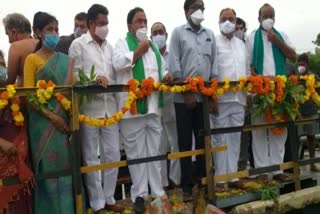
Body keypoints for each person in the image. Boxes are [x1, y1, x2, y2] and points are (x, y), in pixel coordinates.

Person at [113, 7, 172, 213]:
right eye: (139, 21)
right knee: (136, 154)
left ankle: (157, 192)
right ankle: (139, 194)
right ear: (130, 25)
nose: (143, 25)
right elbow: (118, 64)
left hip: (154, 107)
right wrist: (138, 51)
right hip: (133, 111)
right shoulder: (121, 43)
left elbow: (162, 68)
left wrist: (166, 75)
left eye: (145, 21)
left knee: (155, 151)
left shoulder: (154, 47)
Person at [69, 4, 124, 214]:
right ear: (91, 24)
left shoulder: (111, 48)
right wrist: (94, 80)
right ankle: (97, 203)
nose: (105, 27)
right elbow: (74, 77)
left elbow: (117, 76)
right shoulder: (78, 45)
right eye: (101, 24)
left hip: (110, 108)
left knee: (113, 155)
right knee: (91, 158)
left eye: (107, 23)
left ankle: (110, 197)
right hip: (88, 110)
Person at [23, 12, 75, 214]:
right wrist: (53, 117)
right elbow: (29, 95)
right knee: (48, 172)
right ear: (37, 32)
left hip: (65, 125)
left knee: (65, 171)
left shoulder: (66, 60)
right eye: (49, 30)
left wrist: (67, 117)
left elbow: (70, 92)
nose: (54, 34)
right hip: (43, 124)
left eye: (56, 29)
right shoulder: (31, 60)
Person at [168, 0, 216, 200]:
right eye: (195, 8)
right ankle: (186, 184)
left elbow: (213, 65)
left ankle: (203, 181)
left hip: (204, 96)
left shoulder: (209, 34)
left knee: (204, 139)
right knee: (185, 142)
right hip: (183, 98)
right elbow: (174, 64)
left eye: (201, 8)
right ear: (186, 11)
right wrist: (186, 92)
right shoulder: (178, 33)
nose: (199, 11)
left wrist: (213, 96)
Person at [246, 3, 296, 182]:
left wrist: (277, 42)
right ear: (258, 18)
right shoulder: (251, 38)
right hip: (260, 90)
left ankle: (277, 169)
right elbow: (249, 66)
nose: (268, 19)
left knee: (279, 130)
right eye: (265, 16)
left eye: (271, 15)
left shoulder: (282, 35)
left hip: (280, 90)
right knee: (259, 130)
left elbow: (293, 56)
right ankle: (261, 171)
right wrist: (260, 83)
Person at [211, 8, 249, 192]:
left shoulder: (241, 44)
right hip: (221, 98)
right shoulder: (213, 43)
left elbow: (247, 71)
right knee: (219, 138)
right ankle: (219, 178)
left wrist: (248, 95)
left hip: (239, 98)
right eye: (224, 19)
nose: (227, 22)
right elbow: (211, 71)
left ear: (236, 23)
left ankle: (232, 175)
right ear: (218, 22)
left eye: (231, 19)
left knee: (235, 137)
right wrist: (212, 96)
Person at [0, 56, 33, 213]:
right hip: (3, 161)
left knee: (21, 201)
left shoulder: (13, 92)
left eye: (2, 64)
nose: (1, 68)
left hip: (20, 158)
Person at [150, 21, 181, 188]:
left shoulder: (173, 53)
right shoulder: (149, 54)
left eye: (161, 31)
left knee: (175, 143)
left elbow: (178, 73)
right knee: (158, 146)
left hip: (172, 103)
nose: (158, 35)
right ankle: (161, 183)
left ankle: (175, 180)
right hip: (155, 105)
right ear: (150, 37)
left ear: (166, 35)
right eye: (155, 33)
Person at [296, 53, 320, 172]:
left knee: (311, 137)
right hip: (298, 112)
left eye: (303, 64)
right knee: (296, 138)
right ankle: (295, 166)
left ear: (307, 65)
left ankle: (312, 163)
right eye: (299, 64)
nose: (301, 66)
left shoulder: (314, 77)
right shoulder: (295, 78)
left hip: (311, 111)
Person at [2, 13, 38, 86]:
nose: (9, 41)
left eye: (8, 34)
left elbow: (10, 81)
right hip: (44, 93)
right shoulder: (40, 43)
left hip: (26, 95)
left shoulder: (15, 47)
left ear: (13, 32)